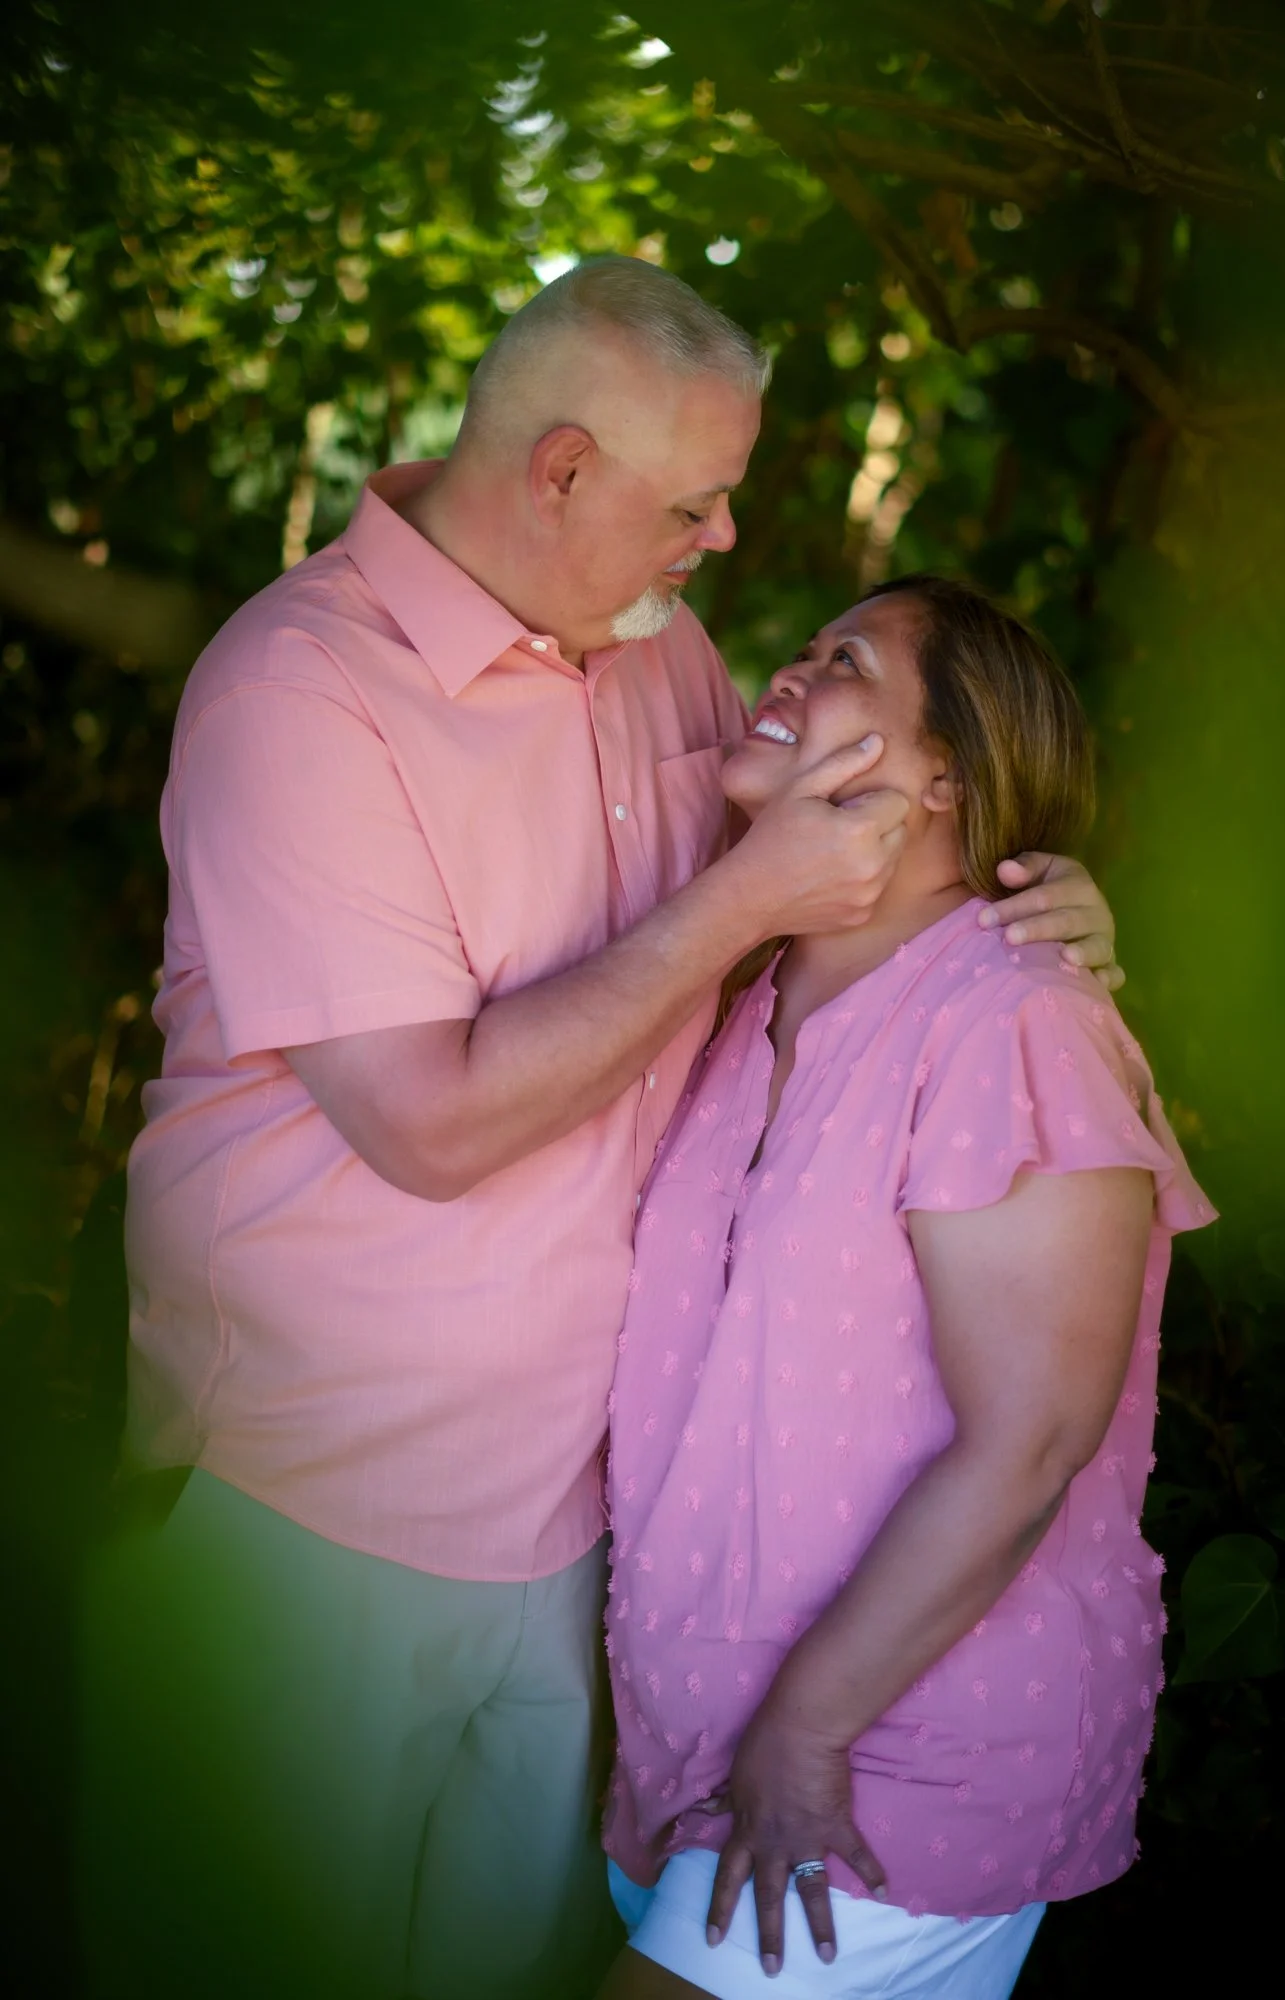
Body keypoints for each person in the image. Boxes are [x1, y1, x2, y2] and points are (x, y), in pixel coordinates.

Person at [82, 261, 1119, 2000]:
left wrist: (1036, 906)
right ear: (561, 469)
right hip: (308, 1515)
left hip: (580, 1538)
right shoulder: (299, 692)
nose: (724, 539)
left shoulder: (661, 655)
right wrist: (747, 900)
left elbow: (863, 877)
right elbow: (428, 1125)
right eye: (694, 500)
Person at [598, 576, 1214, 2000]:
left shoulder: (1016, 1017)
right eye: (806, 645)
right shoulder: (741, 1002)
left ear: (945, 774)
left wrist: (805, 1733)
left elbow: (1032, 1440)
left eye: (846, 661)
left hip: (893, 1762)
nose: (791, 669)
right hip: (693, 1739)